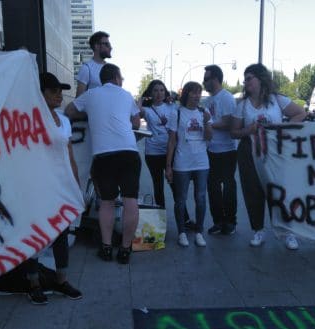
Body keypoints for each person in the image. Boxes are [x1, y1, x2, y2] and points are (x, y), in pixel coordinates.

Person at [65, 63, 141, 264]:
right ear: (116, 77)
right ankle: (125, 250)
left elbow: (69, 111)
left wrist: (91, 114)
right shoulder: (126, 95)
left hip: (103, 155)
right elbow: (135, 123)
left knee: (106, 202)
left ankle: (106, 248)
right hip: (129, 152)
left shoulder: (91, 95)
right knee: (130, 201)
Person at [230, 63, 306, 250]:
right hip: (249, 151)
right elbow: (234, 132)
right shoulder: (242, 105)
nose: (245, 82)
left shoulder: (278, 100)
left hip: (275, 152)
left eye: (249, 78)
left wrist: (281, 129)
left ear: (260, 79)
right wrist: (249, 129)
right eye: (245, 79)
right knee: (252, 190)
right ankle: (258, 230)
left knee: (279, 191)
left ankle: (287, 232)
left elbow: (300, 114)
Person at [23, 72, 83, 304]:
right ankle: (33, 283)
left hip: (61, 186)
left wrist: (75, 183)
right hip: (37, 186)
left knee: (61, 233)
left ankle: (61, 280)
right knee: (34, 234)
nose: (59, 94)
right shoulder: (29, 120)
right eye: (53, 90)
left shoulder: (64, 121)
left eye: (60, 90)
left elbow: (69, 154)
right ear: (40, 93)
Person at [138, 80, 192, 226]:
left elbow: (185, 103)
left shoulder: (172, 106)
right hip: (153, 153)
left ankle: (185, 219)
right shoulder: (148, 110)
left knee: (176, 187)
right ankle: (160, 222)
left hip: (170, 152)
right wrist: (141, 100)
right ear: (150, 93)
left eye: (162, 90)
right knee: (158, 187)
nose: (159, 93)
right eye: (155, 90)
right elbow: (136, 113)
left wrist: (173, 96)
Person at [165, 81, 212, 247]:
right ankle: (182, 232)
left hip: (201, 162)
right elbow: (171, 141)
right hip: (182, 162)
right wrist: (168, 166)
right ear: (186, 94)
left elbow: (209, 137)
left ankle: (199, 231)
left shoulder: (204, 112)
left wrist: (206, 122)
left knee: (200, 197)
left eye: (199, 92)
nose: (197, 95)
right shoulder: (176, 113)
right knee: (180, 199)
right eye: (193, 92)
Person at [202, 65, 238, 236]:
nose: (204, 82)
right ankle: (218, 221)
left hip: (227, 150)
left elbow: (229, 123)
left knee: (228, 186)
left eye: (206, 79)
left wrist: (208, 124)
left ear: (215, 79)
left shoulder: (227, 98)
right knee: (212, 187)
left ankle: (230, 221)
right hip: (211, 150)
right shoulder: (208, 100)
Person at [75, 31, 111, 97]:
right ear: (96, 46)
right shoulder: (86, 69)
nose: (110, 47)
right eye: (106, 44)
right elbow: (79, 100)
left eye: (109, 44)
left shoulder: (111, 69)